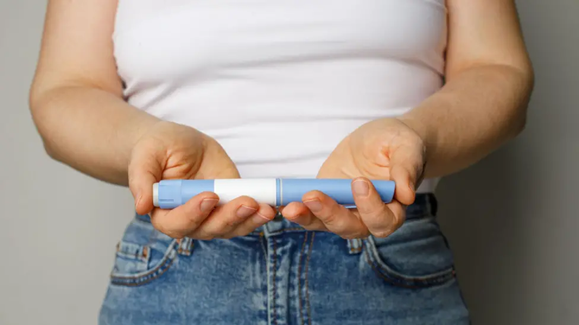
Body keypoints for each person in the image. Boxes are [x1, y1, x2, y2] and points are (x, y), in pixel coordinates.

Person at [29, 0, 533, 324]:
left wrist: (413, 138)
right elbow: (66, 89)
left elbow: (497, 69)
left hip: (389, 257)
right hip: (176, 268)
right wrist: (146, 141)